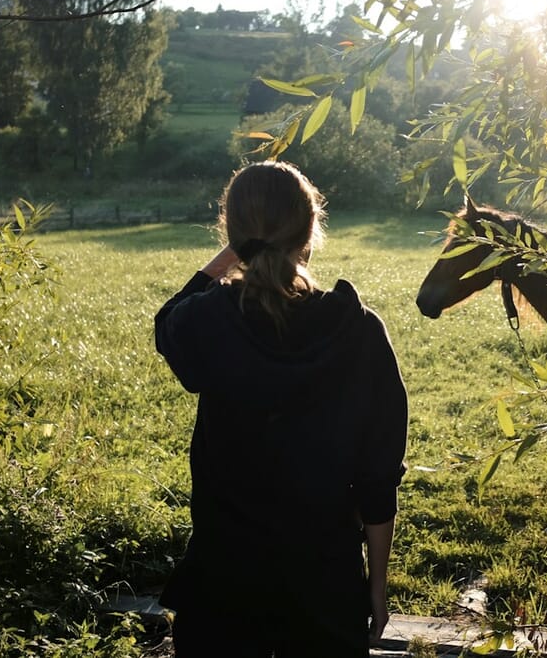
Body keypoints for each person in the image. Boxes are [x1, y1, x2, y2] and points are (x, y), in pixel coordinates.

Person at [154, 161, 408, 656]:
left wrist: (242, 245)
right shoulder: (359, 332)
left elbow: (167, 326)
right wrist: (374, 587)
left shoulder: (208, 320)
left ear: (233, 234)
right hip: (325, 587)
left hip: (221, 584)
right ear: (311, 229)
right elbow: (379, 480)